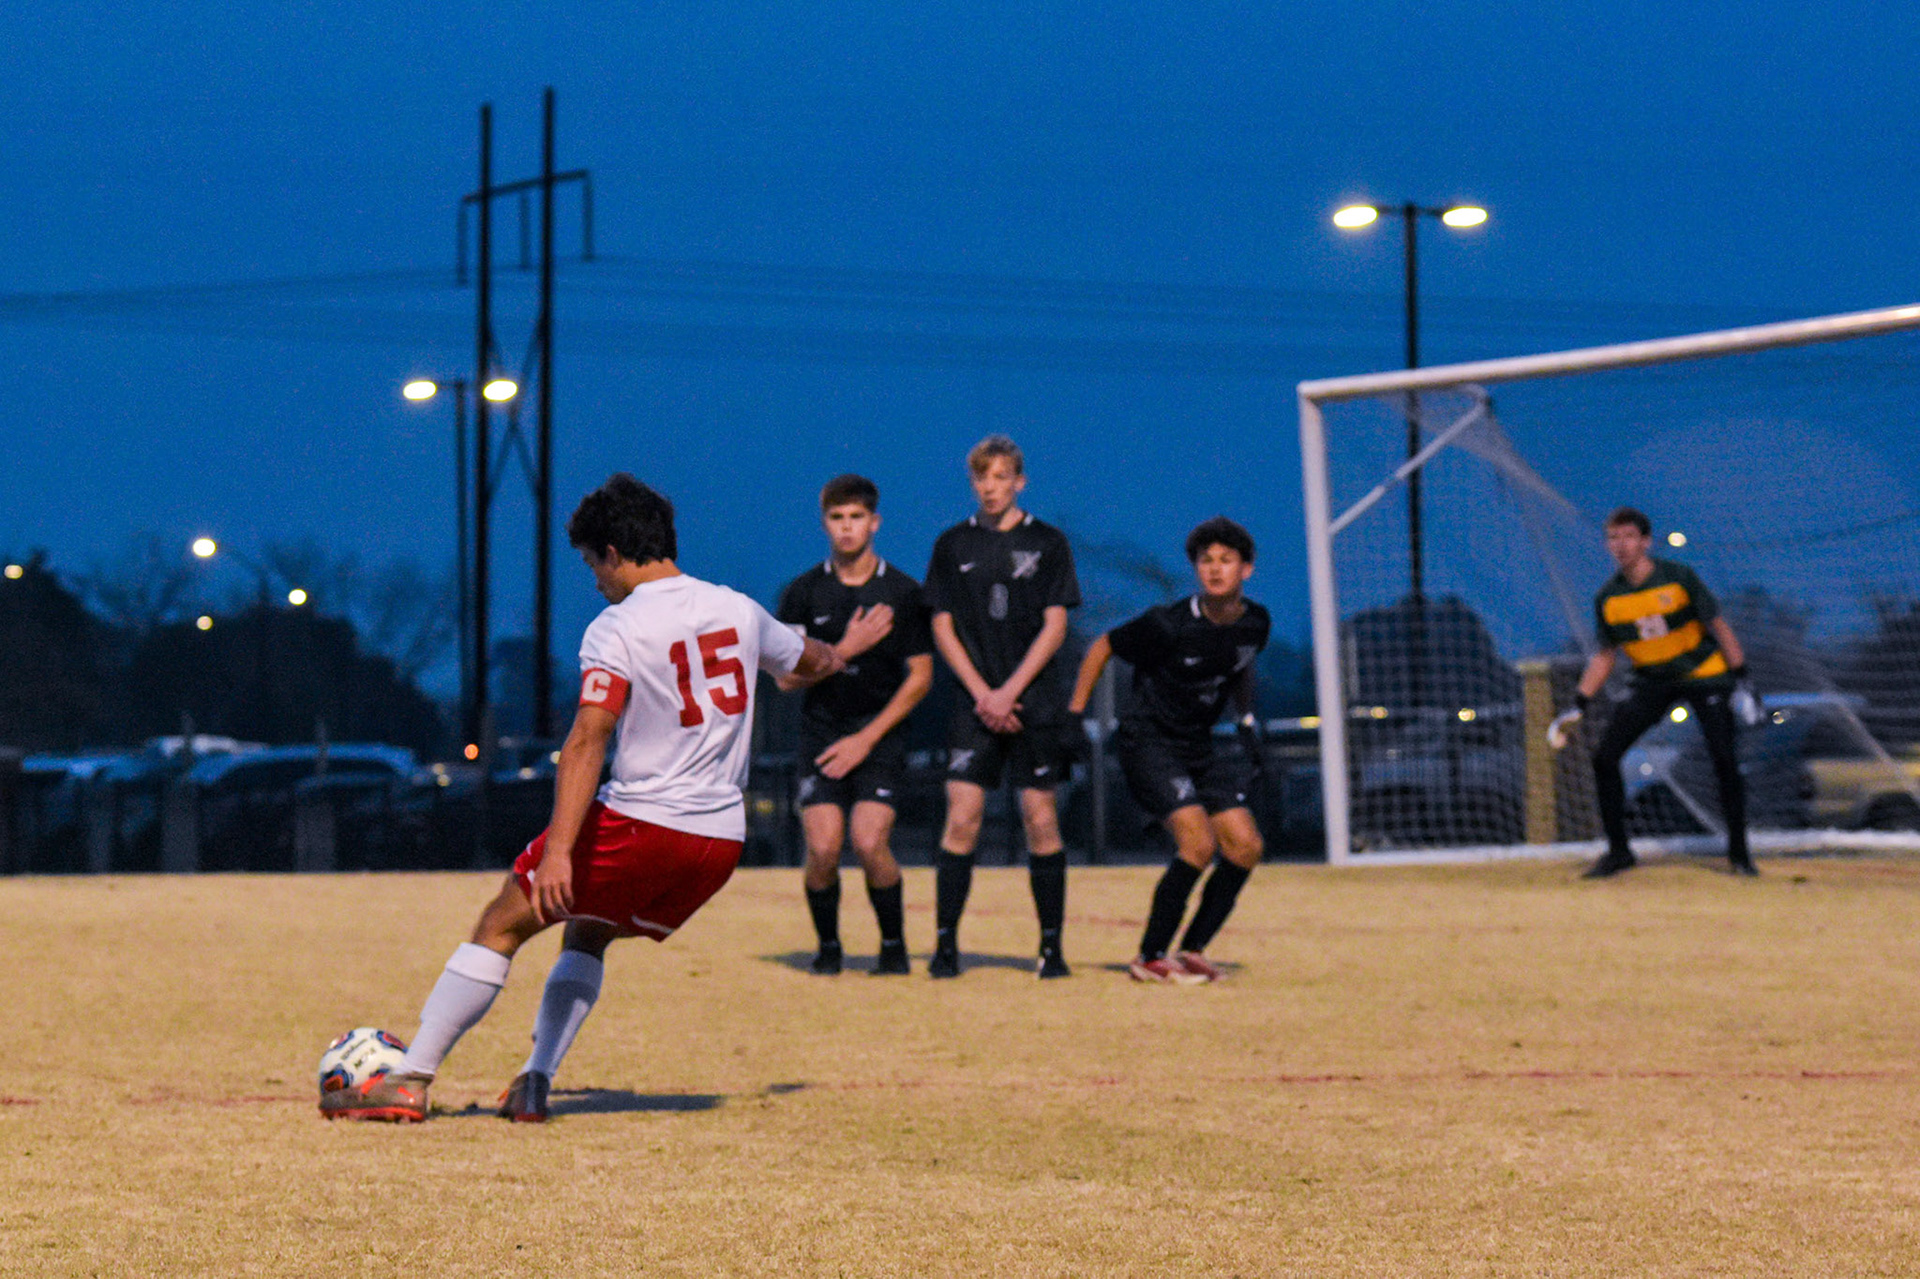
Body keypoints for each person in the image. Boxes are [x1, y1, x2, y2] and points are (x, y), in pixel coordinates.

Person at [321, 474, 845, 1123]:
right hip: (718, 841)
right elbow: (811, 660)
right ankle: (535, 1081)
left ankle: (410, 1077)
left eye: (593, 563)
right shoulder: (739, 609)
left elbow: (587, 739)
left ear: (614, 553)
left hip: (645, 820)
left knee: (500, 923)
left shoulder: (618, 625)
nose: (595, 580)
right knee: (588, 928)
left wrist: (559, 852)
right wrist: (841, 651)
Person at [1067, 517, 1271, 984]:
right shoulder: (1168, 624)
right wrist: (1075, 715)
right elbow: (1101, 646)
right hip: (1149, 742)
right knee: (1198, 844)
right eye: (1205, 560)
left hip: (1197, 744)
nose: (1214, 569)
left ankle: (1193, 949)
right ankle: (1150, 956)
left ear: (1246, 569)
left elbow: (1241, 665)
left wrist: (1245, 721)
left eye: (1226, 560)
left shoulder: (1255, 622)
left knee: (1245, 846)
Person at [923, 434, 1082, 979]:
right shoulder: (952, 544)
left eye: (1000, 477)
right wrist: (983, 694)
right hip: (974, 705)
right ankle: (945, 948)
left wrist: (1010, 691)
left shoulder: (1048, 542)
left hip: (1033, 703)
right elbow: (942, 625)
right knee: (962, 817)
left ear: (1020, 481)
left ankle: (1051, 950)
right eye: (981, 478)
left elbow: (1056, 625)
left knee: (1041, 818)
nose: (990, 487)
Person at [775, 474, 934, 975]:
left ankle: (893, 948)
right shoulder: (802, 593)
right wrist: (845, 649)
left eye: (856, 517)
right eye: (837, 518)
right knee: (823, 848)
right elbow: (785, 680)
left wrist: (866, 739)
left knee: (868, 842)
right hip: (821, 734)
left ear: (875, 522)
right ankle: (828, 950)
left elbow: (921, 676)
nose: (847, 527)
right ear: (825, 523)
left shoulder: (903, 592)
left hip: (879, 735)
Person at [1548, 507, 1760, 879]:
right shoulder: (1608, 598)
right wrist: (1578, 704)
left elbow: (1719, 626)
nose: (1621, 545)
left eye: (1629, 536)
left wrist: (1742, 677)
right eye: (1614, 537)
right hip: (1652, 681)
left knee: (1724, 760)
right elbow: (1604, 656)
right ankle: (1619, 853)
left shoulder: (1678, 577)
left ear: (1645, 541)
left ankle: (1739, 855)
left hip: (1704, 675)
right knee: (1605, 758)